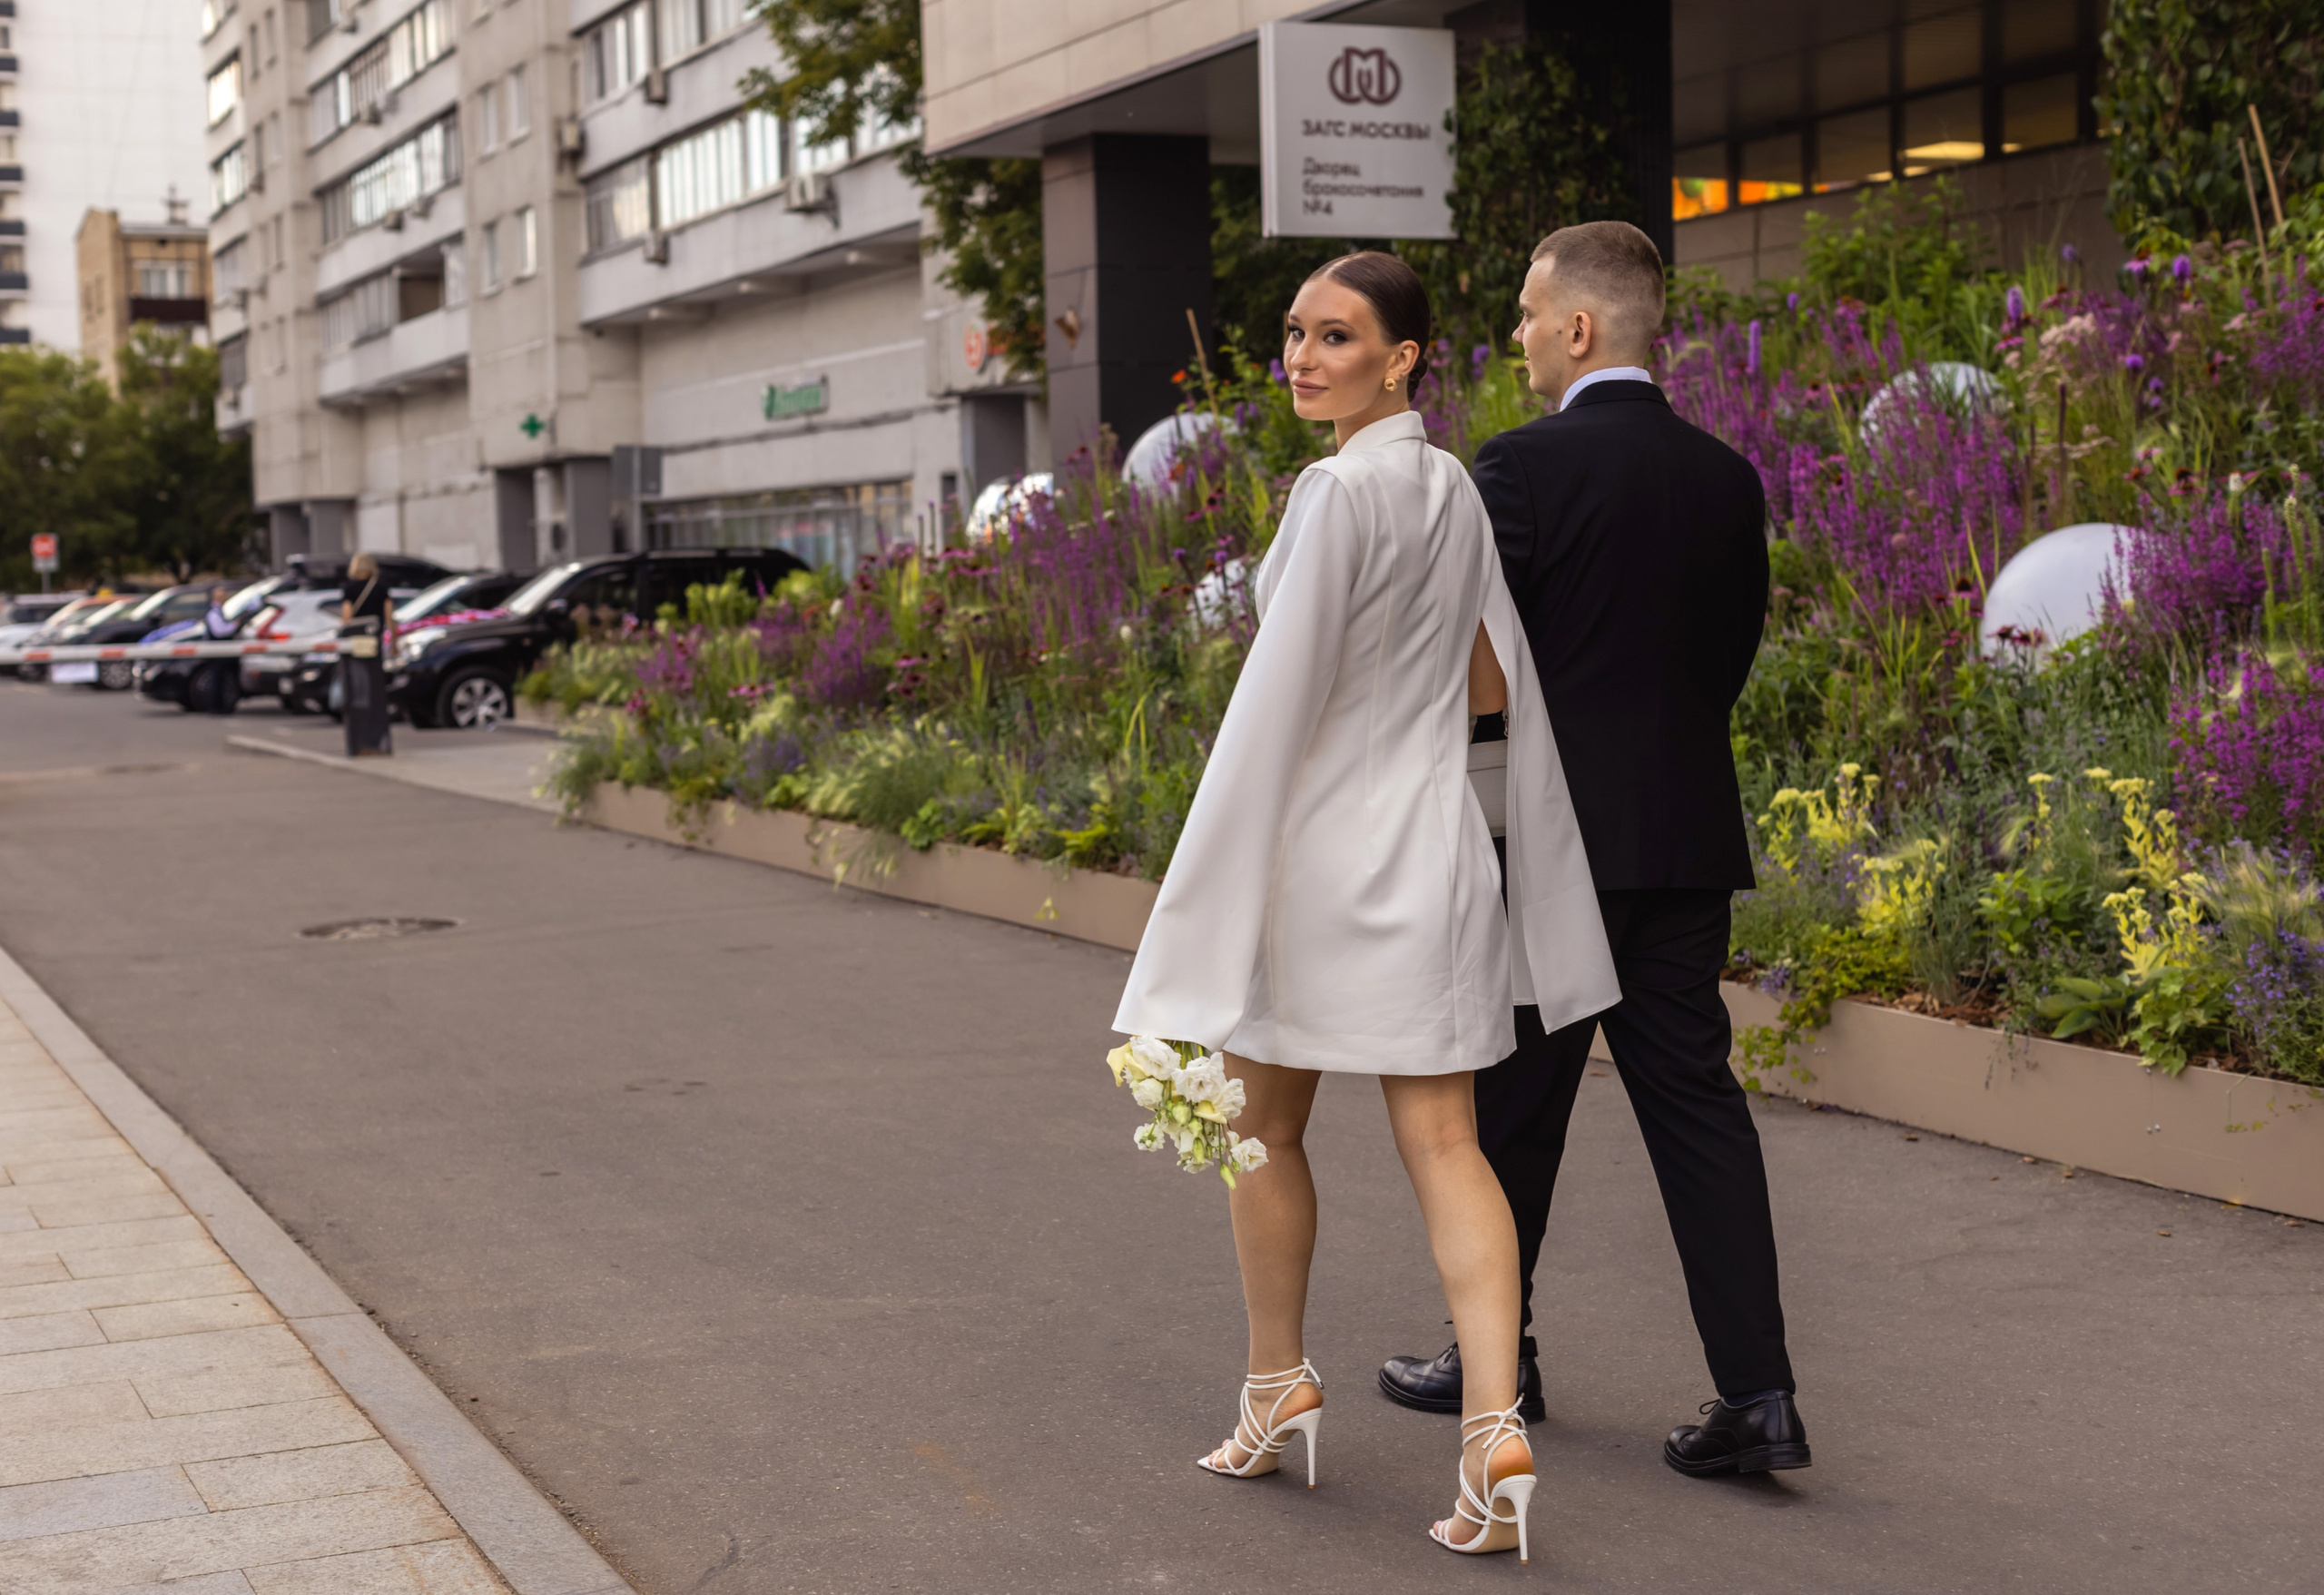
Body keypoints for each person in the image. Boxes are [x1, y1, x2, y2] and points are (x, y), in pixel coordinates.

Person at [1114, 251, 1618, 1559]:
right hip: (1438, 845)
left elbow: (1266, 718)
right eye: (1292, 333)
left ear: (1403, 359)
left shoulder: (1334, 492)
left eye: (1335, 336)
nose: (1302, 356)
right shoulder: (1453, 483)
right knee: (1450, 1146)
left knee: (1265, 1127)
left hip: (1325, 857)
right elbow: (1493, 684)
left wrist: (1190, 915)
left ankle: (1277, 1382)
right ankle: (1493, 1426)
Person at [1376, 221, 1809, 1476]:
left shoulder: (1518, 470)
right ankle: (1761, 1394)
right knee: (1699, 1112)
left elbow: (1469, 666)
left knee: (1510, 1107)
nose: (1515, 335)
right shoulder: (1728, 475)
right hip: (1683, 838)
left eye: (1525, 313)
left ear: (1578, 327)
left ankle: (1495, 1358)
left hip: (1548, 841)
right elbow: (1726, 656)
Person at [339, 552, 394, 756]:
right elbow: (389, 618)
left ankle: (360, 743)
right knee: (377, 695)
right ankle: (379, 741)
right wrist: (394, 644)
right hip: (374, 647)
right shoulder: (381, 587)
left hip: (355, 647)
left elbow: (347, 618)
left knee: (358, 693)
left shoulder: (349, 589)